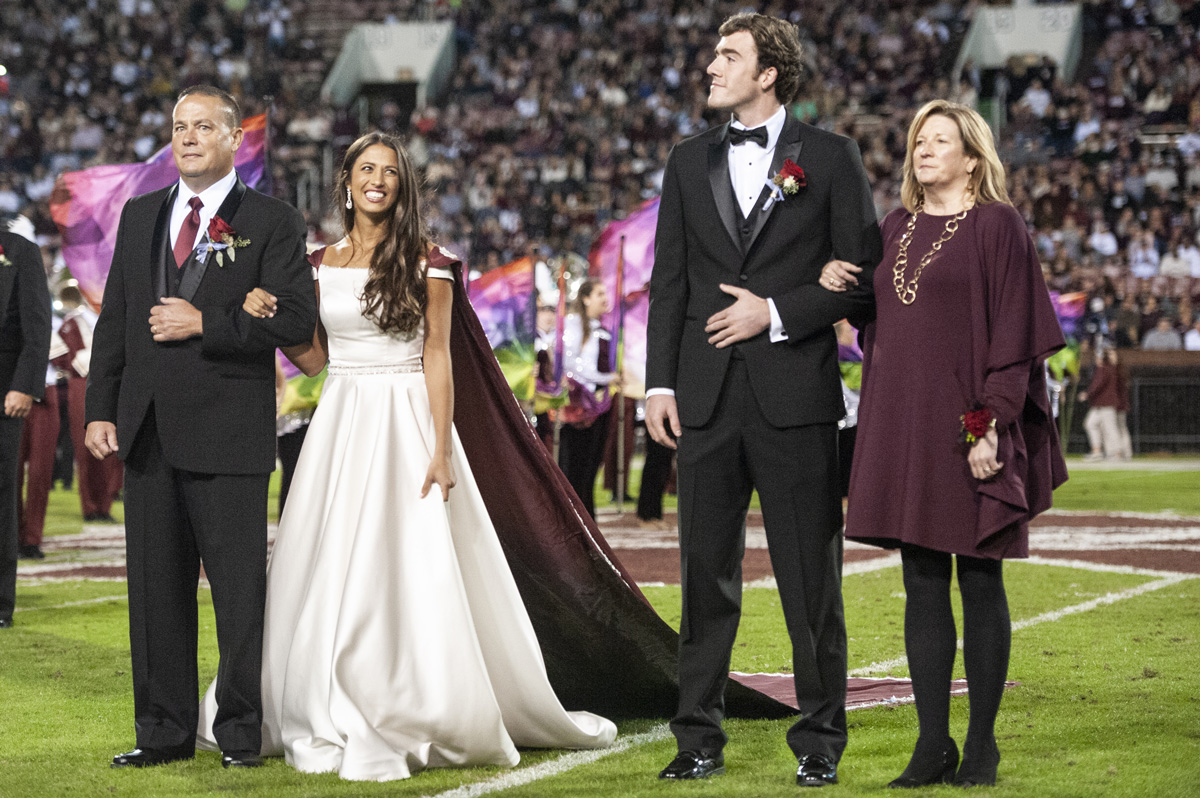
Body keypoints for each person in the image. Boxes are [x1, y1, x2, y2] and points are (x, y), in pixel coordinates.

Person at [197, 132, 616, 781]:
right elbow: (315, 358)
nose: (377, 180)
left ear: (402, 185)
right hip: (340, 419)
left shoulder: (431, 261)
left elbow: (439, 356)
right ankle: (316, 695)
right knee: (330, 560)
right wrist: (267, 312)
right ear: (347, 180)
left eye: (389, 172)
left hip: (409, 421)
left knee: (410, 561)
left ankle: (424, 698)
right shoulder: (316, 262)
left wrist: (442, 447)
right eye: (366, 168)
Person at [645, 13, 881, 786]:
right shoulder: (686, 161)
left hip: (796, 399)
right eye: (715, 53)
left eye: (728, 55)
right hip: (705, 397)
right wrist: (659, 381)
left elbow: (862, 276)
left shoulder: (834, 158)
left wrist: (773, 312)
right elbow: (670, 283)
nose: (711, 66)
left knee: (811, 583)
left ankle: (819, 745)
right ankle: (696, 740)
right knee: (702, 578)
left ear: (769, 72)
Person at [821, 99, 1067, 788]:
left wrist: (991, 423)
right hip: (903, 426)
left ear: (971, 156)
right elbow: (879, 316)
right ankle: (933, 746)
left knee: (980, 577)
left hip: (971, 426)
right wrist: (838, 283)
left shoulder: (999, 224)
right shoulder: (893, 227)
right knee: (921, 582)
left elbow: (1017, 336)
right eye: (917, 141)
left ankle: (981, 746)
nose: (923, 149)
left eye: (939, 140)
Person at [84, 85, 318, 769]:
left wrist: (207, 323)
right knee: (156, 598)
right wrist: (102, 406)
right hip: (149, 430)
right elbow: (117, 323)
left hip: (229, 432)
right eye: (179, 127)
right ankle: (161, 732)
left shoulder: (270, 220)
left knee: (239, 595)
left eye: (202, 127)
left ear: (232, 138)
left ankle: (241, 734)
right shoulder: (139, 217)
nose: (186, 138)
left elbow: (297, 322)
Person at [0, 224, 52, 628]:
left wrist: (24, 386)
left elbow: (38, 327)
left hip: (4, 394)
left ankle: (1, 603)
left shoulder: (20, 250)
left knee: (2, 497)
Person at [558, 280, 619, 519]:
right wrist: (603, 377)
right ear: (585, 298)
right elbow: (570, 362)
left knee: (592, 465)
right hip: (580, 406)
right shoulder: (574, 326)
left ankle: (588, 519)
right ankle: (575, 519)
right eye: (599, 293)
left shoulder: (602, 328)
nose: (605, 298)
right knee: (575, 466)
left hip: (599, 404)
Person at [1080, 347, 1131, 461]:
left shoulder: (1104, 369)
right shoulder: (1110, 369)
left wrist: (1087, 394)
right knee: (1090, 424)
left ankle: (1117, 453)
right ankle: (1097, 451)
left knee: (1110, 428)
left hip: (1106, 404)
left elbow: (1098, 385)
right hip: (1099, 404)